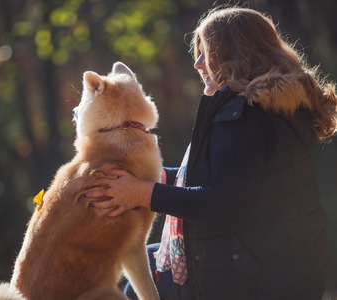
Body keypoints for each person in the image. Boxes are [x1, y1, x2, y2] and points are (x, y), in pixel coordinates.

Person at [85, 6, 337, 300]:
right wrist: (148, 178)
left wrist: (142, 193)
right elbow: (229, 178)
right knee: (148, 264)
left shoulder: (244, 114)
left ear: (236, 54)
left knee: (142, 275)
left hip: (255, 281)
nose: (198, 64)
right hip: (288, 266)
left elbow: (220, 202)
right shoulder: (274, 105)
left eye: (207, 52)